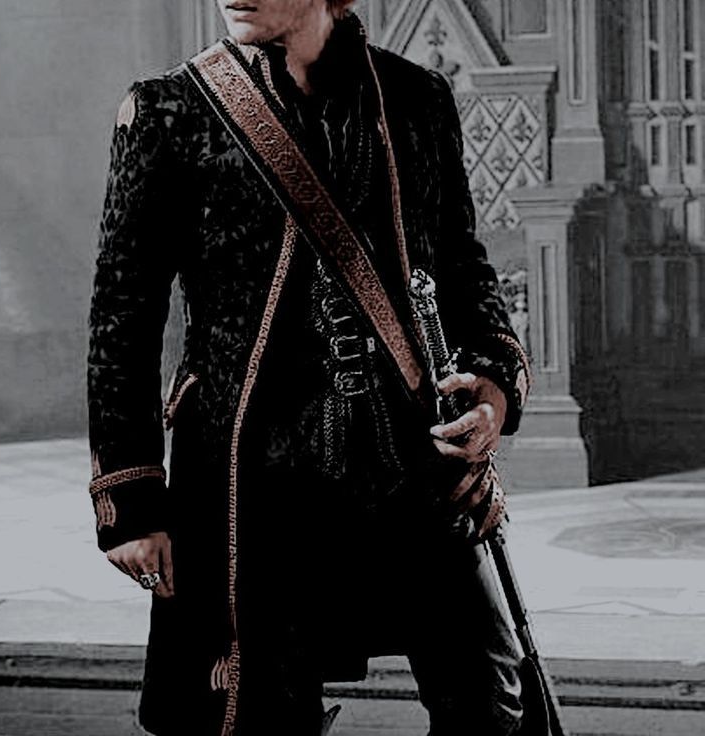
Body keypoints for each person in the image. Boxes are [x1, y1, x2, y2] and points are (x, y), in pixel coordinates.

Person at [86, 1, 532, 734]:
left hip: (410, 464)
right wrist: (131, 501)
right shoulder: (168, 112)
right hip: (251, 482)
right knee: (262, 716)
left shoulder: (416, 98)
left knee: (490, 702)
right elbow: (121, 317)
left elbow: (462, 270)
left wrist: (493, 387)